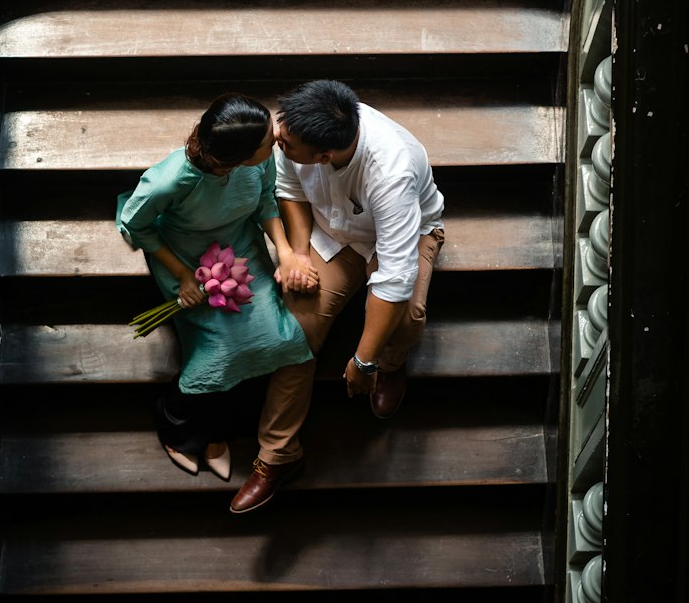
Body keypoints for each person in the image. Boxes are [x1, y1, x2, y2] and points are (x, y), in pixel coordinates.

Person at [230, 78, 445, 513]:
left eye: (284, 142)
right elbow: (289, 190)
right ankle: (278, 454)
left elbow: (395, 278)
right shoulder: (298, 130)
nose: (275, 140)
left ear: (324, 156)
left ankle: (391, 362)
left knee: (405, 320)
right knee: (295, 331)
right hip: (330, 235)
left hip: (398, 238)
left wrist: (363, 361)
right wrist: (298, 255)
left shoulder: (391, 171)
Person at [116, 93, 315, 479]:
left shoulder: (259, 159)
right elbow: (135, 223)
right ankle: (179, 427)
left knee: (278, 338)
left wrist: (287, 252)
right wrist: (184, 275)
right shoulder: (170, 181)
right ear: (239, 156)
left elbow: (264, 203)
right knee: (218, 350)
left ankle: (218, 431)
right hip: (185, 254)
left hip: (238, 245)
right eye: (266, 142)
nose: (275, 139)